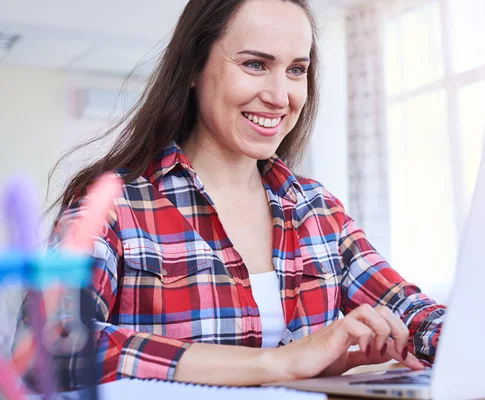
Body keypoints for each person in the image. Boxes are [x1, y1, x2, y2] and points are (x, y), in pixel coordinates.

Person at [16, 0, 445, 390]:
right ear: (192, 68)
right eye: (256, 64)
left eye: (296, 69)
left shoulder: (317, 209)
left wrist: (471, 336)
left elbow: (411, 311)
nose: (280, 97)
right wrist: (276, 364)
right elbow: (50, 342)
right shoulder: (114, 206)